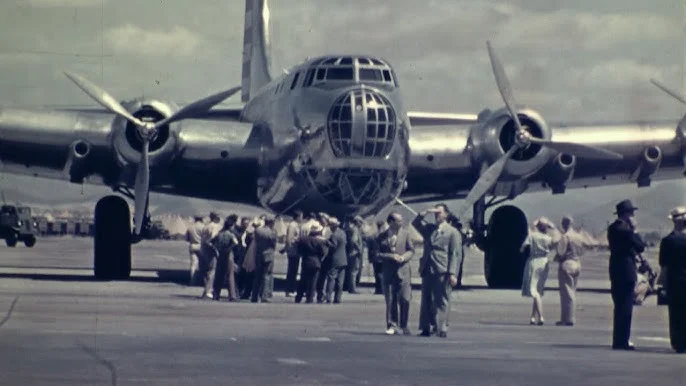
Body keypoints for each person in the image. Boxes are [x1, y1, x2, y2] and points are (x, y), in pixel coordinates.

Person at [413, 203, 462, 338]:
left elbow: (455, 254)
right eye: (435, 213)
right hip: (428, 268)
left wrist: (453, 273)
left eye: (439, 212)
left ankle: (441, 328)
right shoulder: (430, 229)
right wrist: (425, 212)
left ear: (446, 214)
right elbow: (415, 223)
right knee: (426, 300)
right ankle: (426, 327)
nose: (436, 215)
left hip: (442, 269)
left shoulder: (453, 232)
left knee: (442, 300)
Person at [607, 199, 645, 350]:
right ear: (627, 214)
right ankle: (623, 341)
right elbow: (640, 246)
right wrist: (634, 229)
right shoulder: (626, 230)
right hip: (627, 270)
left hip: (616, 270)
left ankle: (619, 339)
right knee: (626, 307)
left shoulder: (612, 228)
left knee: (619, 306)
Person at [377, 212, 415, 335]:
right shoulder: (381, 236)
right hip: (388, 271)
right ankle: (392, 325)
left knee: (405, 299)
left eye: (401, 220)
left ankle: (404, 325)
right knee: (390, 300)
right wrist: (390, 256)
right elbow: (376, 254)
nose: (401, 223)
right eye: (398, 221)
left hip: (403, 270)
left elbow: (411, 250)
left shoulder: (406, 234)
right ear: (391, 222)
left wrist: (404, 257)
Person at [659, 206, 686, 353]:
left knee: (675, 313)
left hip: (675, 281)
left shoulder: (668, 241)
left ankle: (678, 342)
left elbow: (664, 266)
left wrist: (662, 285)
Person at [521, 217, 555, 325]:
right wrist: (550, 225)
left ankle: (541, 317)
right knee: (539, 290)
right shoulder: (548, 238)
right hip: (544, 262)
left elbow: (522, 248)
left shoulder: (532, 236)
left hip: (534, 261)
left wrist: (534, 225)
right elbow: (555, 239)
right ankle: (532, 317)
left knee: (534, 291)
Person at [554, 215, 582, 326]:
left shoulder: (565, 236)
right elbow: (581, 251)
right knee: (572, 292)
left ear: (564, 224)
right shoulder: (577, 236)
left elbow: (561, 252)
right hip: (577, 263)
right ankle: (569, 317)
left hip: (567, 263)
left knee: (566, 293)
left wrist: (557, 258)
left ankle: (568, 319)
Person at [295, 223, 329, 303]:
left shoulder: (303, 239)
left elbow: (299, 250)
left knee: (302, 280)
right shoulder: (320, 241)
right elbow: (323, 252)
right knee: (313, 282)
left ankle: (298, 297)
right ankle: (309, 298)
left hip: (306, 261)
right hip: (316, 261)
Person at [211, 215, 239, 301]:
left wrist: (217, 249)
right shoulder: (230, 234)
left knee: (219, 275)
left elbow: (211, 242)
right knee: (230, 275)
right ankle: (232, 296)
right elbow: (236, 242)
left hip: (220, 255)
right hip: (228, 255)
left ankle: (216, 294)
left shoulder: (219, 233)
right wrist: (229, 248)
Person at [251, 216, 277, 303]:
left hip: (259, 254)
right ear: (271, 223)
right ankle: (264, 296)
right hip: (268, 255)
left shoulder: (258, 230)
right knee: (266, 275)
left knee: (257, 276)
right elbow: (273, 244)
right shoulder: (272, 232)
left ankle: (254, 296)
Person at [324, 217, 347, 304]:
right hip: (343, 259)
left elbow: (333, 246)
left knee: (331, 279)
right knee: (340, 281)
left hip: (335, 259)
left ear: (333, 226)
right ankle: (338, 298)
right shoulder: (343, 233)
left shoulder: (334, 235)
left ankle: (328, 297)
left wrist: (326, 242)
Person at [284, 210, 304, 297]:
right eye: (301, 216)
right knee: (292, 271)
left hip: (296, 251)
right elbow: (289, 239)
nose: (302, 218)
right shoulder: (293, 225)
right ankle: (289, 290)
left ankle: (291, 289)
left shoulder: (296, 225)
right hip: (293, 251)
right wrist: (289, 248)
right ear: (298, 216)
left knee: (294, 270)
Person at [344, 216, 364, 294]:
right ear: (358, 222)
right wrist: (359, 249)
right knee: (354, 271)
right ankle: (352, 289)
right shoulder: (356, 230)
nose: (361, 224)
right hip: (355, 253)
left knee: (351, 271)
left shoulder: (350, 229)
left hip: (351, 253)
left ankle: (350, 287)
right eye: (361, 222)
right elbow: (354, 240)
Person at [185, 216, 205, 286]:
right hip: (201, 246)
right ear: (201, 219)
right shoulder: (203, 227)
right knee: (202, 265)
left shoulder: (190, 227)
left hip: (192, 246)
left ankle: (193, 281)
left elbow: (187, 239)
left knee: (193, 264)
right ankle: (202, 281)